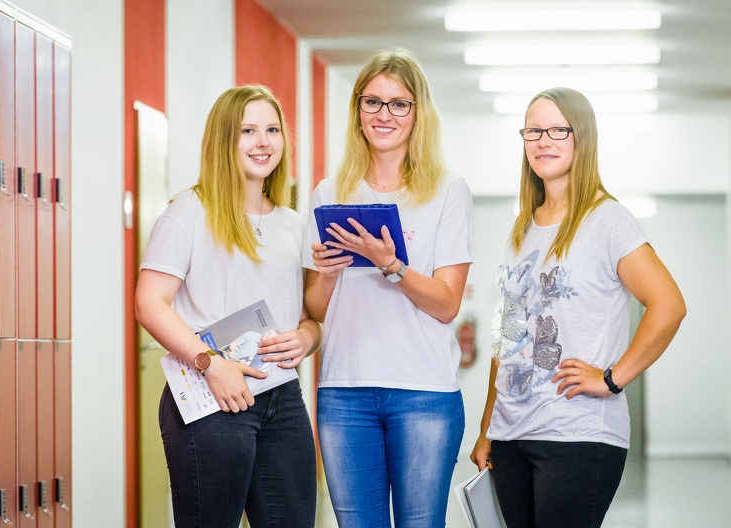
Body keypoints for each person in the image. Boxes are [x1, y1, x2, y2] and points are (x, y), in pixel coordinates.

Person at [470, 87, 686, 528]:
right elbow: (506, 335)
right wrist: (487, 425)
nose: (543, 140)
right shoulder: (523, 227)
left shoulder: (607, 219)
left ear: (581, 138)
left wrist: (612, 378)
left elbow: (669, 305)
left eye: (557, 130)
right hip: (511, 433)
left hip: (578, 433)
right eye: (533, 130)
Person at [304, 47, 475, 527]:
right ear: (357, 110)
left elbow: (446, 305)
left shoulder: (447, 190)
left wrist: (393, 266)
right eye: (372, 102)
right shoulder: (328, 193)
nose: (384, 114)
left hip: (423, 392)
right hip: (344, 391)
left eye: (399, 103)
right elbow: (315, 309)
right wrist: (331, 271)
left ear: (418, 113)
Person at [135, 85, 320, 528]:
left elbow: (311, 315)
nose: (264, 142)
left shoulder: (293, 225)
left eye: (273, 130)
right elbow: (149, 302)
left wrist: (308, 337)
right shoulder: (189, 212)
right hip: (211, 397)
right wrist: (210, 363)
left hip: (281, 398)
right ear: (224, 140)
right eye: (248, 131)